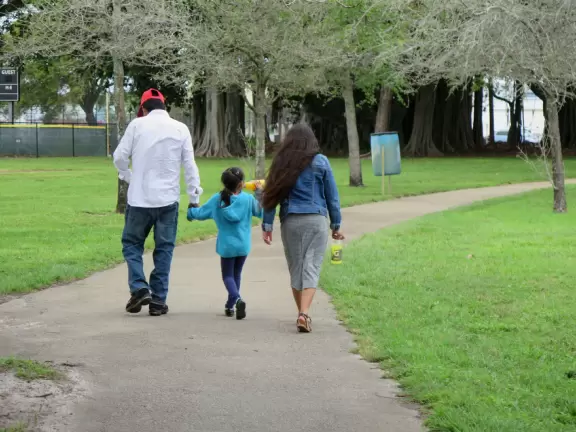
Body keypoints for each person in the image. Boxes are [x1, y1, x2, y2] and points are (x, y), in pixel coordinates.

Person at [113, 88, 202, 316]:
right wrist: (194, 198)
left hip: (139, 199)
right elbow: (190, 165)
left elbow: (120, 157)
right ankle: (159, 301)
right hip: (167, 200)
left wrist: (128, 176)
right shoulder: (181, 128)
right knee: (164, 250)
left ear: (143, 108)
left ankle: (140, 287)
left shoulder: (136, 125)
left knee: (132, 244)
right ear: (165, 105)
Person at [261, 123, 344, 333]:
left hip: (291, 221)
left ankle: (302, 313)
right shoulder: (321, 161)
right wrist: (336, 224)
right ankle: (304, 314)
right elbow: (332, 197)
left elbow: (271, 194)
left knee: (296, 268)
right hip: (316, 220)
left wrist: (267, 224)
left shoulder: (282, 162)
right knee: (312, 266)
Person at [187, 167, 262, 319]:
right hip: (243, 245)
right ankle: (230, 305)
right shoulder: (247, 199)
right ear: (241, 184)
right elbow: (260, 212)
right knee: (237, 275)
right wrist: (259, 194)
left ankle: (238, 299)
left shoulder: (217, 199)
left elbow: (201, 214)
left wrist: (190, 212)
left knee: (228, 276)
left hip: (227, 246)